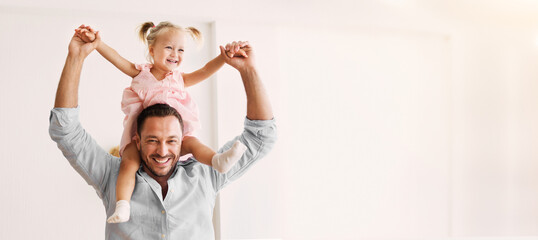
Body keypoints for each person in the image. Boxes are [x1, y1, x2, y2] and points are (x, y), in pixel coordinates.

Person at [49, 28, 276, 239]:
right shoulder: (111, 176)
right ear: (136, 140)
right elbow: (66, 131)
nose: (163, 150)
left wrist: (248, 71)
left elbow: (260, 137)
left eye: (172, 141)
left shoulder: (205, 175)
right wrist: (76, 57)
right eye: (152, 140)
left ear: (182, 140)